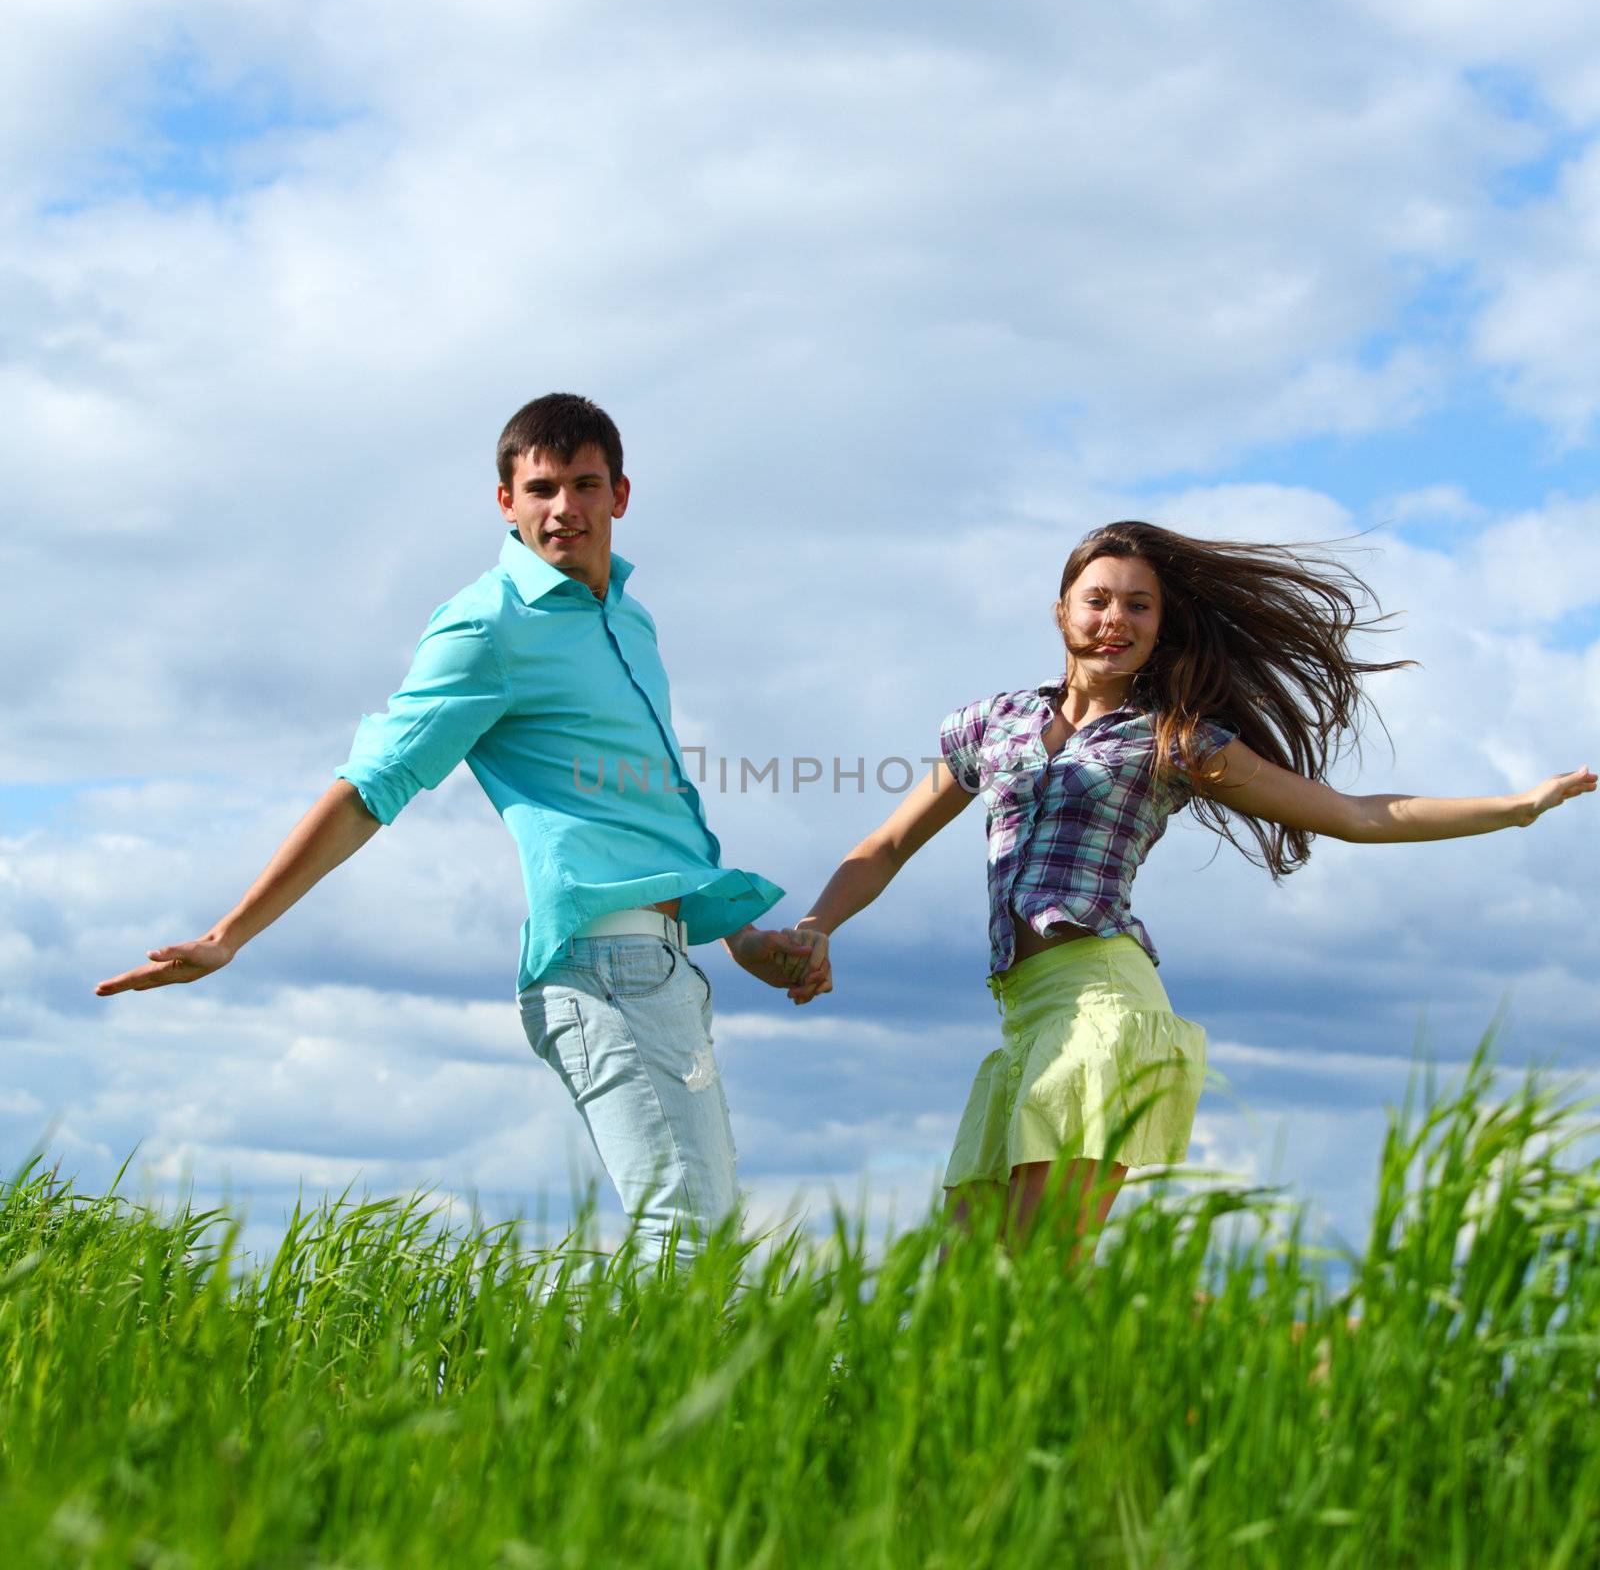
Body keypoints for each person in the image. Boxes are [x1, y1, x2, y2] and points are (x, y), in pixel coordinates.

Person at [96, 393, 826, 1260]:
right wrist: (230, 934)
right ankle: (523, 1395)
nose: (564, 509)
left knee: (699, 1244)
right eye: (542, 487)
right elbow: (373, 784)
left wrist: (737, 938)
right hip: (607, 967)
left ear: (620, 496)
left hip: (663, 963)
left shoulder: (628, 617)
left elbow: (643, 817)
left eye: (585, 485)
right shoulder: (487, 624)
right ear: (505, 502)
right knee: (689, 1242)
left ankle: (548, 1391)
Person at [789, 521, 1594, 1255]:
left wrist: (1515, 808)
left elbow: (1354, 814)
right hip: (1022, 1017)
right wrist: (818, 924)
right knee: (966, 1278)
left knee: (1035, 1269)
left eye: (1139, 606)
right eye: (1097, 600)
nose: (1116, 619)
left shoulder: (1174, 740)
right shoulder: (989, 725)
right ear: (1061, 612)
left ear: (1159, 627)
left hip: (1100, 1007)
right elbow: (888, 844)